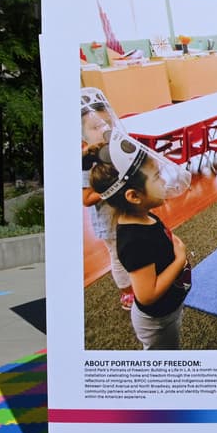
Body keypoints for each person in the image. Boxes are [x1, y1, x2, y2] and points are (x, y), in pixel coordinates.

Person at [90, 131, 191, 350]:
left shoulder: (145, 215)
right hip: (157, 322)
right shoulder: (134, 241)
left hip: (169, 308)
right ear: (134, 196)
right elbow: (147, 295)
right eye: (156, 177)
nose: (164, 180)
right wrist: (179, 259)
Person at [80, 92, 133, 309]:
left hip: (126, 213)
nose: (103, 130)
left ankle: (139, 281)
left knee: (132, 250)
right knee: (118, 256)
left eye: (107, 124)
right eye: (95, 127)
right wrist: (108, 189)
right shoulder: (88, 164)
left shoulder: (114, 152)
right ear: (82, 135)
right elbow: (86, 199)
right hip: (108, 221)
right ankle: (126, 291)